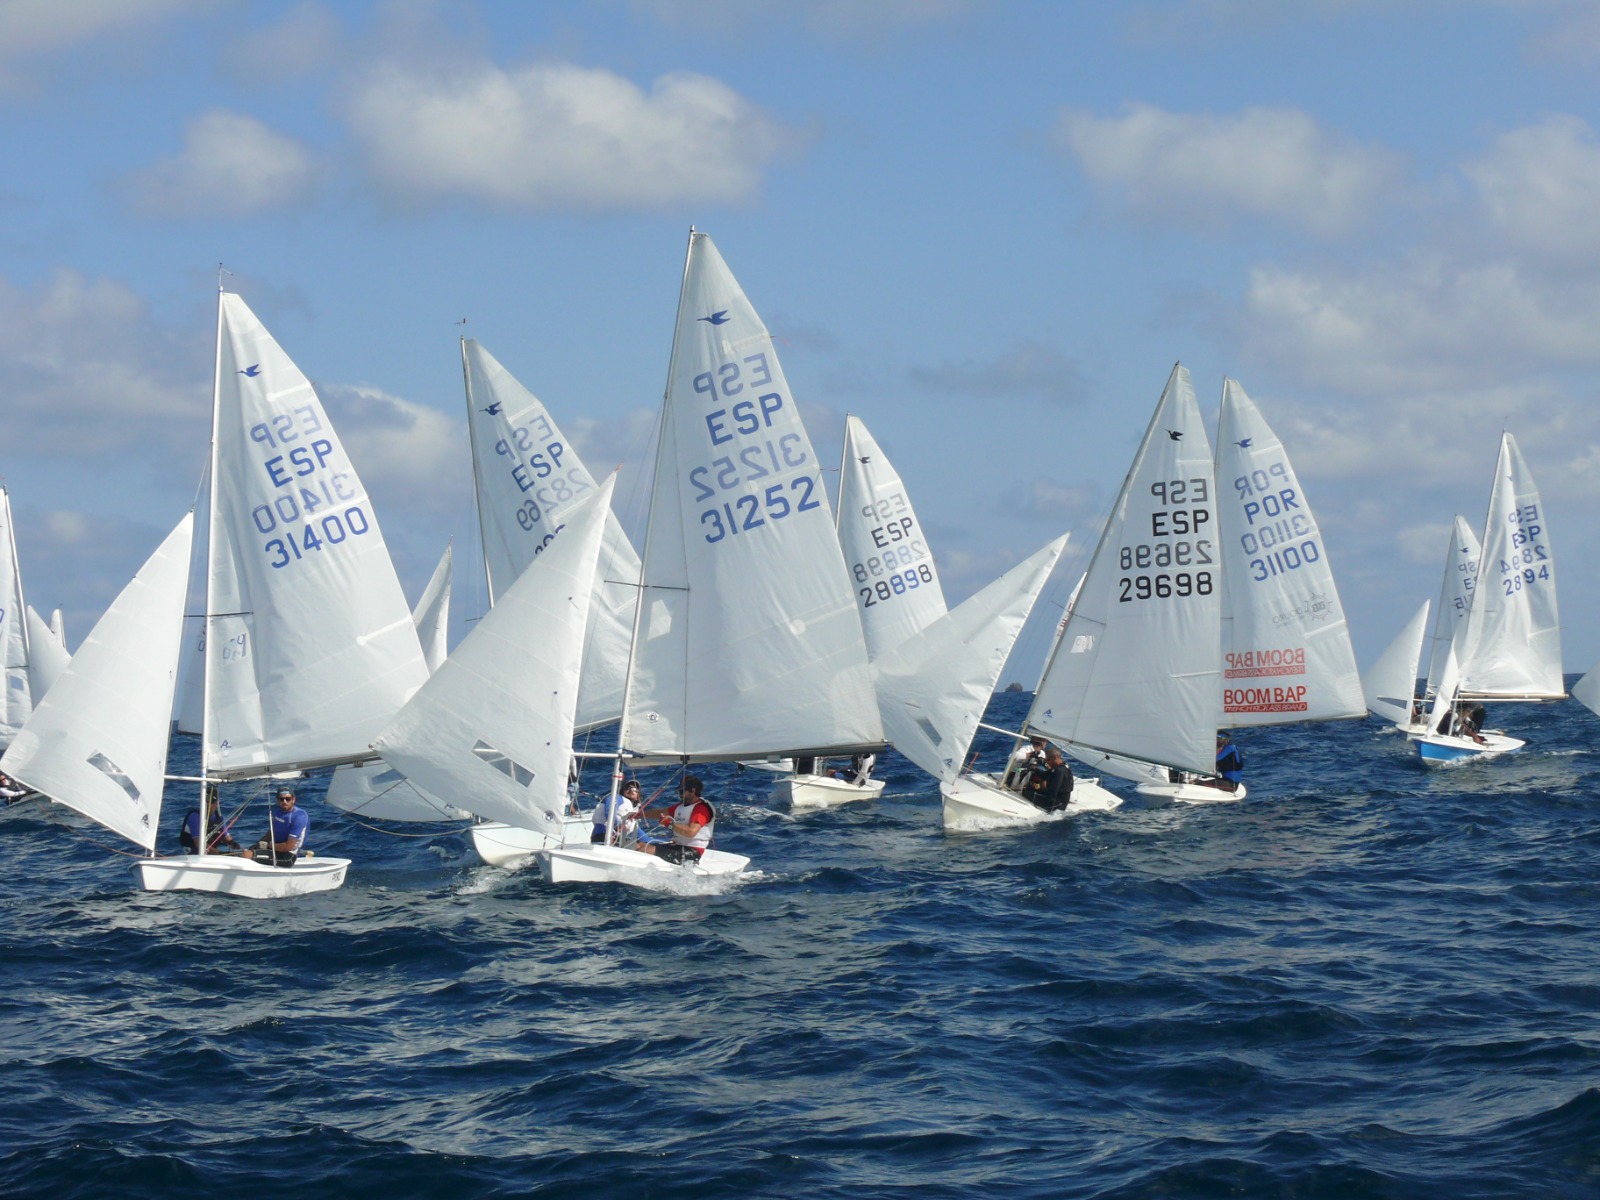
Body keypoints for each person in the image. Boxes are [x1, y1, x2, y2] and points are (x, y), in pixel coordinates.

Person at [636, 774, 715, 866]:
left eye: (682, 791)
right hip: (678, 847)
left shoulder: (701, 809)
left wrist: (669, 824)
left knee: (644, 850)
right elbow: (660, 812)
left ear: (693, 791)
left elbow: (691, 832)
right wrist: (638, 814)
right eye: (679, 792)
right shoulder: (681, 807)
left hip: (692, 852)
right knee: (638, 845)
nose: (680, 795)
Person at [245, 787, 309, 867]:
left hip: (288, 856)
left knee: (247, 855)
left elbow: (289, 846)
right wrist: (257, 845)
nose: (284, 802)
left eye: (287, 799)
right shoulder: (278, 812)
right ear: (278, 800)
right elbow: (270, 834)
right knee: (245, 852)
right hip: (276, 849)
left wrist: (267, 846)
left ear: (293, 799)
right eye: (281, 799)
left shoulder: (299, 816)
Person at [179, 785, 238, 854]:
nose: (208, 805)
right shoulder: (194, 817)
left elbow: (226, 836)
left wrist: (232, 843)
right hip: (193, 855)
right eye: (206, 802)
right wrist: (220, 853)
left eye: (211, 802)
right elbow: (199, 844)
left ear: (216, 803)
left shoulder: (219, 818)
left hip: (211, 855)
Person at [1023, 745, 1074, 812]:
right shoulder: (1062, 766)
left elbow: (1052, 793)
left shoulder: (1059, 771)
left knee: (1026, 792)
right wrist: (1034, 769)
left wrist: (1035, 787)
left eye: (1048, 759)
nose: (1047, 762)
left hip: (1055, 804)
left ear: (1055, 757)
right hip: (1060, 801)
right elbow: (1046, 775)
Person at [592, 779, 641, 845]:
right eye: (628, 788)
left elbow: (638, 832)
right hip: (603, 835)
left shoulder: (633, 808)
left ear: (638, 796)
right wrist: (617, 826)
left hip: (622, 840)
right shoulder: (618, 797)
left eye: (635, 789)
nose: (631, 790)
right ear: (622, 791)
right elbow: (609, 809)